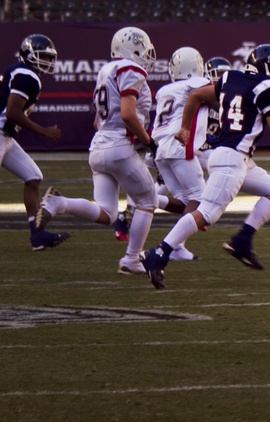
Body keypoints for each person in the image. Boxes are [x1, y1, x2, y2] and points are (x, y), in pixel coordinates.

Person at [141, 44, 270, 289]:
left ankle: (242, 241)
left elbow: (195, 96)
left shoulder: (229, 77)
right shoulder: (268, 88)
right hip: (231, 159)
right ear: (269, 66)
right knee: (206, 214)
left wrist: (185, 127)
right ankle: (159, 252)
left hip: (231, 157)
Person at [36, 26, 159, 275]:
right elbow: (127, 114)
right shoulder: (130, 69)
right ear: (130, 48)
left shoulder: (106, 70)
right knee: (148, 201)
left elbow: (97, 121)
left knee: (107, 213)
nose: (145, 53)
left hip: (98, 147)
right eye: (141, 47)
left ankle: (59, 203)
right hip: (118, 147)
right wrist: (149, 140)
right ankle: (131, 260)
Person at [1, 34, 71, 251]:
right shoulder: (28, 76)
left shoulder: (19, 71)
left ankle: (37, 234)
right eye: (42, 56)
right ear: (29, 54)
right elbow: (13, 112)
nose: (47, 62)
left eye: (49, 57)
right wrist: (43, 131)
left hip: (6, 136)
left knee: (33, 176)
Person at [148, 46, 213, 261]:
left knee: (186, 202)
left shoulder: (165, 90)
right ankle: (172, 246)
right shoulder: (197, 83)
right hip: (179, 144)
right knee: (202, 201)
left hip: (161, 150)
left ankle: (149, 199)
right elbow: (217, 98)